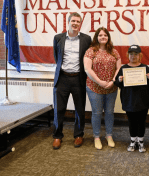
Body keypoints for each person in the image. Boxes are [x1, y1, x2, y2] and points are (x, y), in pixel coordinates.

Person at [52, 12, 92, 150]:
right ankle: (57, 136)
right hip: (62, 78)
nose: (75, 23)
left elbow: (88, 58)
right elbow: (57, 57)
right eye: (73, 21)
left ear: (80, 24)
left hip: (78, 78)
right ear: (68, 22)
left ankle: (79, 135)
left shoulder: (87, 39)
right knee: (59, 109)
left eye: (78, 21)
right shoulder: (58, 38)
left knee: (80, 109)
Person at [84, 27, 121, 150]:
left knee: (110, 112)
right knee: (97, 113)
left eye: (105, 35)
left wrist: (113, 81)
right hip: (94, 87)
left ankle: (109, 136)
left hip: (111, 87)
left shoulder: (114, 52)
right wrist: (99, 82)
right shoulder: (90, 51)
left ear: (108, 37)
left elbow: (118, 68)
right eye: (100, 35)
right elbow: (88, 69)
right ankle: (96, 137)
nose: (103, 37)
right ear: (96, 37)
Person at [114, 45, 149, 153]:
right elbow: (116, 83)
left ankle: (141, 141)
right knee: (132, 121)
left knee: (141, 121)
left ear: (140, 55)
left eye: (136, 54)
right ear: (128, 55)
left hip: (143, 100)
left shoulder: (145, 67)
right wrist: (119, 79)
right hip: (129, 100)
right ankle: (133, 141)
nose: (133, 56)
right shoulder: (123, 68)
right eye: (131, 54)